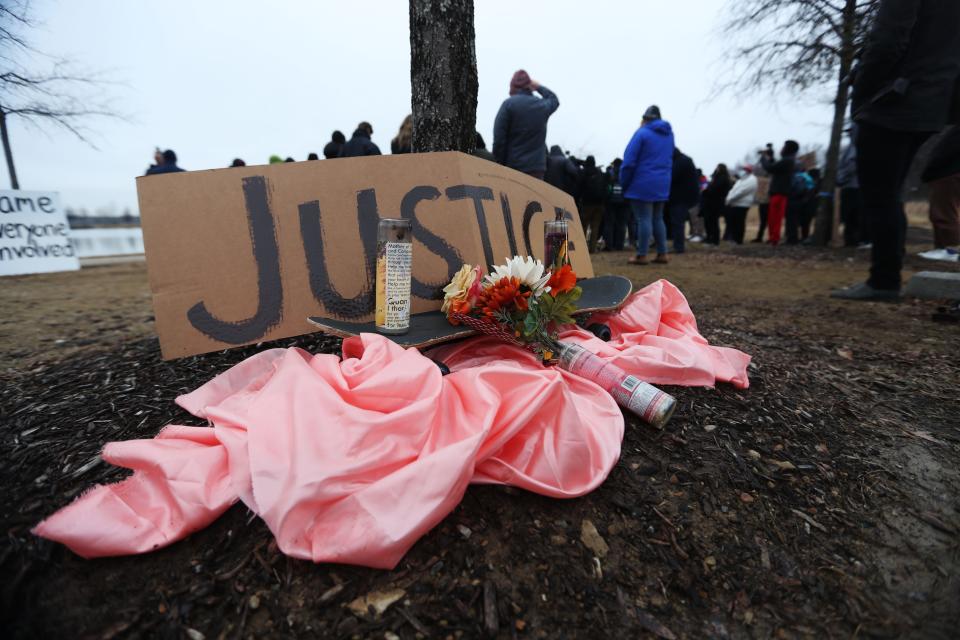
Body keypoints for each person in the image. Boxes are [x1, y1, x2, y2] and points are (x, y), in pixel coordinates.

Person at [833, 0, 960, 301]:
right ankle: (885, 276)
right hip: (934, 101)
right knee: (892, 193)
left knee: (880, 194)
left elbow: (888, 38)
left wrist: (863, 92)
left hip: (894, 100)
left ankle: (884, 279)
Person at [621, 105, 675, 265]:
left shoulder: (642, 133)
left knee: (643, 218)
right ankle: (662, 253)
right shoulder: (669, 135)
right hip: (662, 182)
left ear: (644, 118)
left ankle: (641, 255)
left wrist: (624, 182)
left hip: (642, 182)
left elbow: (629, 162)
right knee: (658, 218)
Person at [492, 70, 559, 179]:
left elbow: (499, 139)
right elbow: (554, 100)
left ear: (512, 87)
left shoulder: (508, 105)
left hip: (513, 167)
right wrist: (538, 87)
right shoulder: (542, 105)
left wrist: (499, 162)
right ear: (529, 85)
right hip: (537, 169)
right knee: (533, 196)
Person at [922, 125, 960, 250]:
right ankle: (943, 249)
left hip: (949, 173)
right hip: (948, 172)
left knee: (944, 215)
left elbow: (945, 152)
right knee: (945, 214)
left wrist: (930, 172)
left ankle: (950, 251)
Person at [759, 140, 799, 245]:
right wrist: (771, 157)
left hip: (780, 193)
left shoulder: (787, 161)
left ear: (788, 148)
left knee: (775, 217)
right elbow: (776, 167)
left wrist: (763, 158)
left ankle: (774, 238)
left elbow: (770, 168)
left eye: (783, 146)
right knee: (772, 217)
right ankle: (773, 237)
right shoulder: (788, 160)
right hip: (778, 192)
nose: (781, 148)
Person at [837, 126, 866, 247]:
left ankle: (852, 240)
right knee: (852, 216)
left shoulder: (855, 148)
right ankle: (851, 240)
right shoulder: (852, 147)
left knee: (851, 215)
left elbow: (851, 167)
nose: (849, 135)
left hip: (852, 187)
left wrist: (839, 179)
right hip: (853, 186)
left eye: (850, 132)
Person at [667, 148, 699, 253]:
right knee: (678, 222)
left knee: (678, 222)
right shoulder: (685, 160)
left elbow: (671, 177)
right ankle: (678, 245)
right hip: (684, 197)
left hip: (680, 198)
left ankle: (678, 247)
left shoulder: (679, 162)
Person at [579, 156, 607, 252]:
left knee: (584, 225)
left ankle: (582, 247)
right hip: (599, 204)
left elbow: (579, 186)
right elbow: (605, 187)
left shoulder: (584, 172)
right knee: (595, 226)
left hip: (587, 203)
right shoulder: (600, 173)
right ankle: (592, 248)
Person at [724, 165, 758, 244]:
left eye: (744, 170)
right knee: (734, 222)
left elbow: (742, 192)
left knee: (739, 222)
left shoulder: (752, 179)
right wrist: (729, 199)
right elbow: (733, 190)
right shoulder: (741, 180)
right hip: (735, 203)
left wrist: (729, 199)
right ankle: (734, 238)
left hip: (743, 204)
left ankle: (738, 239)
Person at [701, 164, 732, 245]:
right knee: (709, 222)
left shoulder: (722, 179)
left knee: (713, 222)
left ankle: (714, 240)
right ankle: (710, 238)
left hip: (715, 203)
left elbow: (714, 189)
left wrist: (705, 191)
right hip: (712, 203)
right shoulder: (717, 178)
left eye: (717, 168)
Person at [602, 158, 629, 251]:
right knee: (621, 224)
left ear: (613, 164)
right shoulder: (625, 174)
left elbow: (605, 187)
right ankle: (619, 245)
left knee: (609, 224)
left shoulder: (609, 173)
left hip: (610, 202)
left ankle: (609, 245)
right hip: (624, 202)